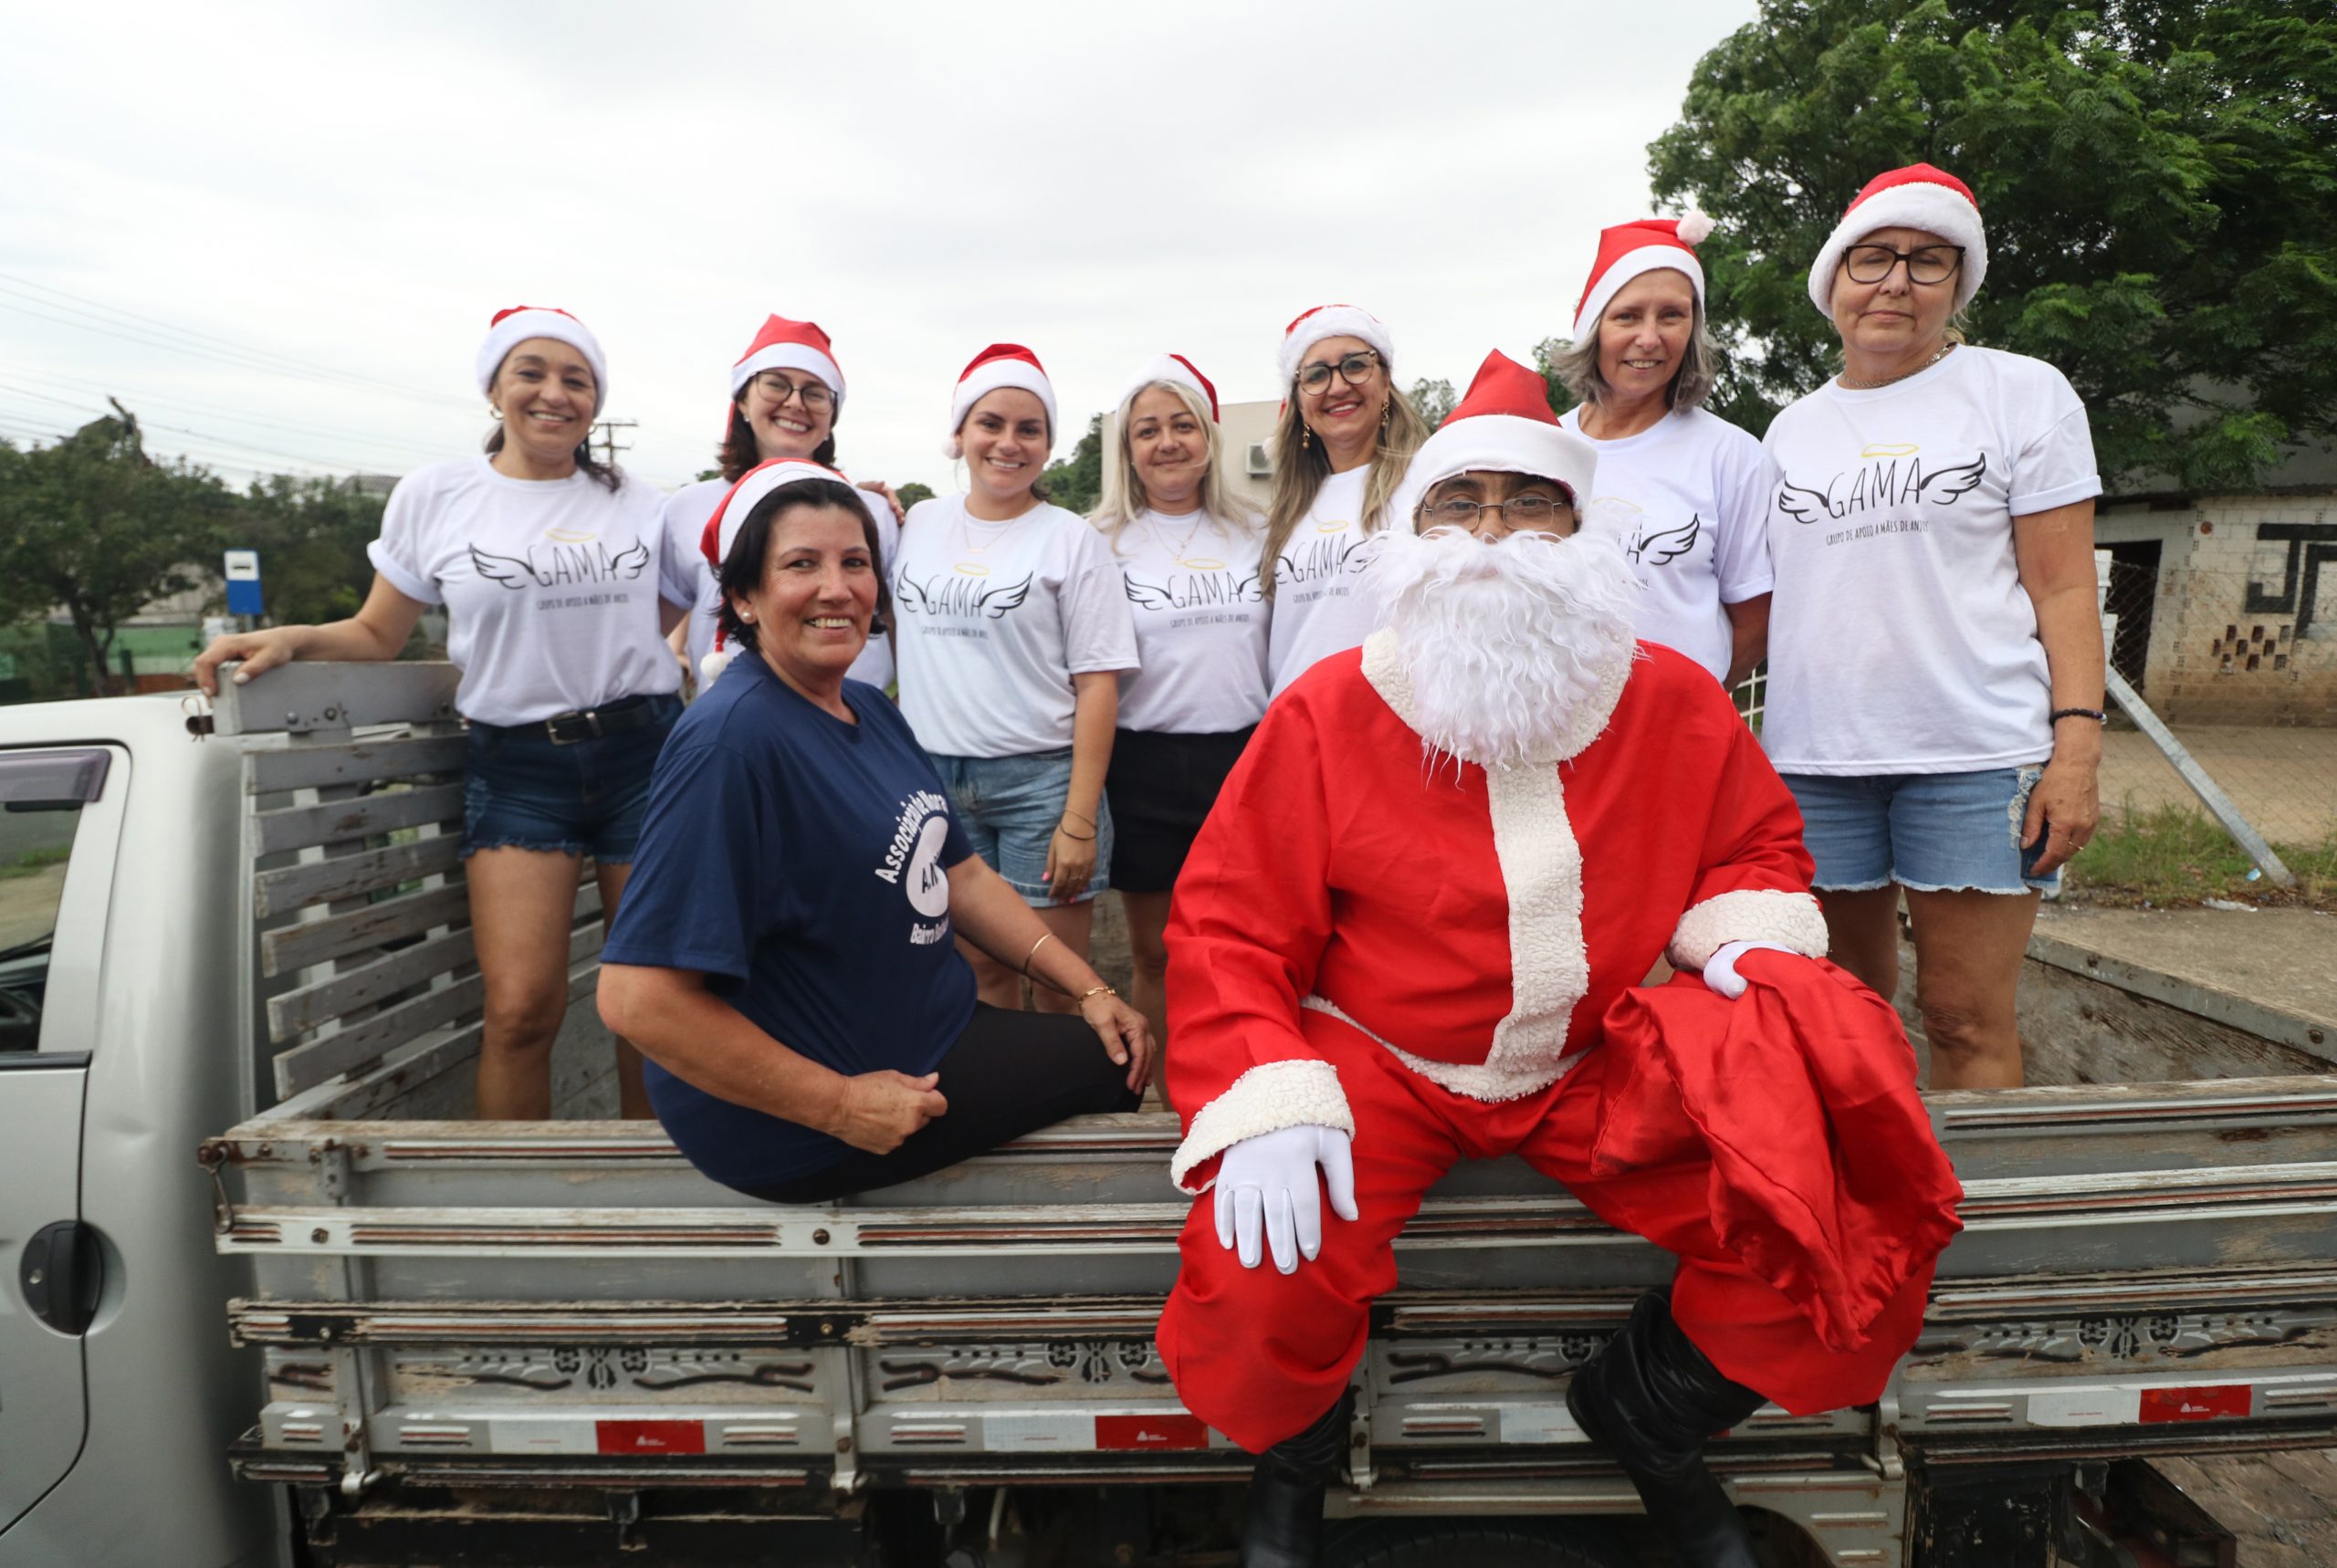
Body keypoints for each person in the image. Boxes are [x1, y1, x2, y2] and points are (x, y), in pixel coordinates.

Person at [1153, 352, 1962, 1568]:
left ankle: (1649, 1414)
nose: (1491, 533)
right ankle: (1294, 1458)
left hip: (1600, 1055)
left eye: (1529, 503)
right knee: (1262, 1265)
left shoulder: (1671, 697)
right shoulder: (1328, 707)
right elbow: (1229, 924)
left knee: (1828, 1203)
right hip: (1384, 1061)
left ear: (1582, 529)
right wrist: (1262, 1085)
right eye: (1458, 502)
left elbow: (1753, 844)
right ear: (1412, 530)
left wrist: (1741, 935)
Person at [597, 461, 1151, 1202]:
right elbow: (636, 1000)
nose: (837, 588)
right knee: (1111, 1069)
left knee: (1116, 1038)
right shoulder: (731, 743)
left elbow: (962, 875)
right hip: (797, 1110)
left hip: (928, 1027)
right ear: (744, 597)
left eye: (855, 563)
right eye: (802, 564)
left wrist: (1090, 988)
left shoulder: (868, 707)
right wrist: (840, 1106)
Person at [194, 306, 690, 1121]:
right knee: (521, 1011)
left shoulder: (644, 505)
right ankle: (515, 1195)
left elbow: (659, 617)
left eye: (577, 379)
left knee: (650, 1005)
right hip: (519, 770)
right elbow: (376, 633)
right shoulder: (439, 495)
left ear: (596, 401)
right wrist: (292, 637)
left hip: (644, 760)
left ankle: (654, 1177)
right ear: (494, 388)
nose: (555, 393)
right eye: (531, 372)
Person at [1763, 163, 2107, 1091]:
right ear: (1832, 278)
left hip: (1973, 755)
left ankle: (1982, 1185)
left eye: (1927, 261)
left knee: (1961, 1015)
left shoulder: (2020, 393)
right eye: (1872, 257)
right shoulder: (1789, 430)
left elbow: (2064, 587)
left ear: (1959, 282)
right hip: (1814, 759)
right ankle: (1861, 1180)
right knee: (1836, 1013)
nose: (1895, 282)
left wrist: (2075, 748)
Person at [890, 345, 1140, 1015]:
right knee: (977, 975)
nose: (1008, 443)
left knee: (1061, 983)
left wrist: (1079, 820)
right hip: (934, 781)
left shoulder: (1071, 539)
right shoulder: (918, 524)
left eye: (1029, 429)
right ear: (959, 434)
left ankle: (1066, 1087)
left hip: (1041, 785)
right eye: (990, 423)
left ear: (1048, 446)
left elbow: (1098, 684)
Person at [1088, 353, 1268, 1079]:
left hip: (1245, 760)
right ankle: (1163, 1098)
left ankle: (1245, 1082)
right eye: (1147, 430)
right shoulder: (1099, 541)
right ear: (1127, 448)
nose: (1167, 443)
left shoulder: (1259, 530)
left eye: (1182, 425)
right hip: (1144, 764)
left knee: (1248, 945)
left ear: (1209, 437)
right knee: (1156, 952)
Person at [1556, 215, 1774, 688]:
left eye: (1672, 315)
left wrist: (1691, 707)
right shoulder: (1545, 446)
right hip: (1554, 724)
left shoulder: (1732, 456)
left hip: (1678, 726)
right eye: (1628, 316)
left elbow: (1755, 621)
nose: (1650, 338)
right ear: (1592, 327)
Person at [658, 315, 901, 688]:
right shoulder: (687, 507)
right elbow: (654, 624)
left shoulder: (874, 511)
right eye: (776, 384)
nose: (795, 403)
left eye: (815, 393)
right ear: (742, 400)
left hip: (854, 713)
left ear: (832, 417)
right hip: (734, 715)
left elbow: (898, 621)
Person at [1259, 305, 1430, 696]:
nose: (1337, 387)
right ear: (1299, 403)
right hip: (1294, 720)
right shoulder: (1287, 510)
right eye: (1316, 375)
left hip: (1385, 717)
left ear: (1385, 382)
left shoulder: (1428, 484)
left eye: (1355, 365)